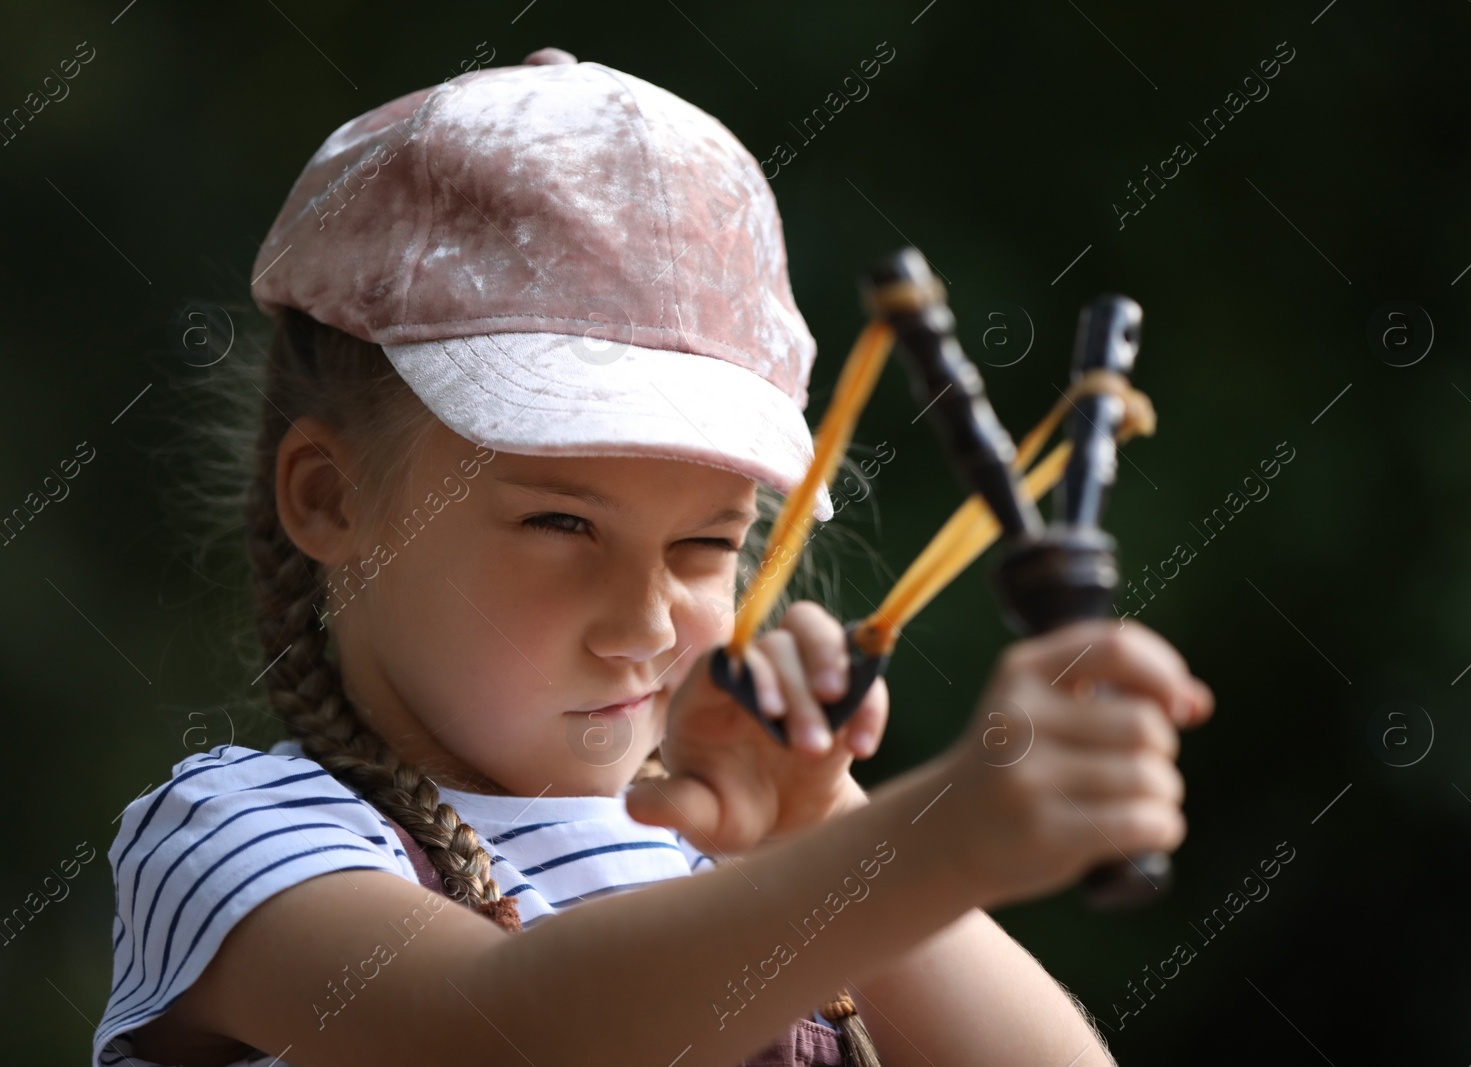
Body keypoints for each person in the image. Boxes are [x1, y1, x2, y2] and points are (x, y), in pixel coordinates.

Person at [92, 47, 1214, 1067]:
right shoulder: (236, 836)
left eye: (706, 543)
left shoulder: (750, 859)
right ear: (330, 497)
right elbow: (507, 1030)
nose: (643, 622)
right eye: (562, 524)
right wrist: (938, 838)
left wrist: (821, 817)